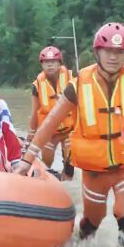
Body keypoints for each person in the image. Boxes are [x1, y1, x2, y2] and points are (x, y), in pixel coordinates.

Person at [14, 22, 124, 247]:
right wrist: (27, 160)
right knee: (92, 222)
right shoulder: (77, 86)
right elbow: (49, 124)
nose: (114, 57)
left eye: (119, 52)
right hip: (94, 172)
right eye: (109, 51)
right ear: (98, 52)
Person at [28, 46, 75, 179]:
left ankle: (67, 183)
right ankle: (49, 182)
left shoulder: (73, 78)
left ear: (60, 63)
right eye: (46, 62)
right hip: (50, 132)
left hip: (69, 130)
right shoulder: (37, 85)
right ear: (42, 64)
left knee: (70, 162)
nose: (49, 64)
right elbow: (34, 112)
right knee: (46, 162)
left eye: (53, 61)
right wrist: (30, 138)